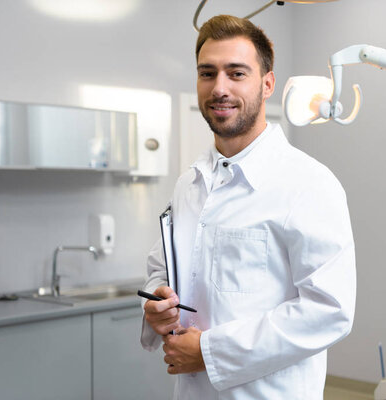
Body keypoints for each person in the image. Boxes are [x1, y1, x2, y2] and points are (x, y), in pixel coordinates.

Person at [141, 14, 356, 400]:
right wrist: (158, 299)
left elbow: (329, 310)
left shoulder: (308, 184)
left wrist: (209, 351)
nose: (219, 87)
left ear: (267, 83)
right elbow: (162, 267)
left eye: (236, 73)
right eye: (207, 73)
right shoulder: (188, 184)